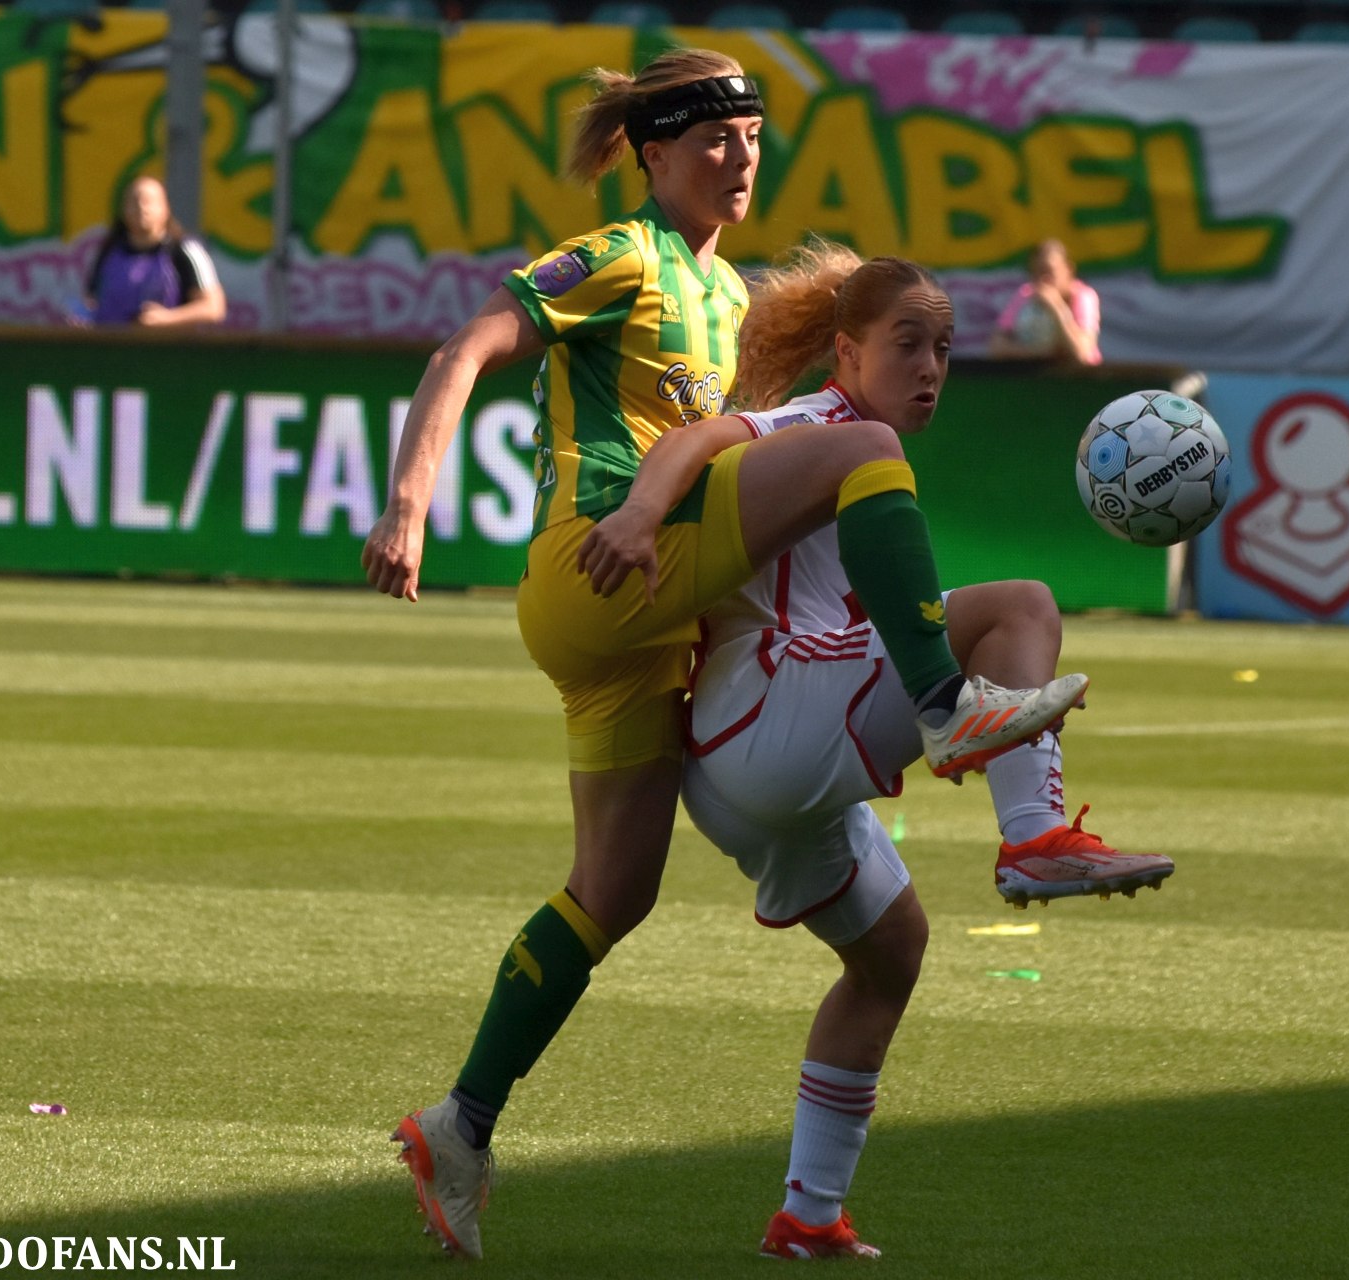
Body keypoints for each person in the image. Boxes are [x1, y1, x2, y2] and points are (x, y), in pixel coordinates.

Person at [361, 49, 1089, 1261]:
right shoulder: (622, 255)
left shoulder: (731, 295)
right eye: (713, 139)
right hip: (598, 563)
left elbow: (749, 419)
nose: (739, 156)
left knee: (613, 891)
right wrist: (408, 503)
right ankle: (946, 706)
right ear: (652, 155)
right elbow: (465, 349)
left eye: (752, 136)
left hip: (644, 631)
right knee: (862, 456)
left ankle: (460, 1124)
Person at [682, 241, 1173, 1259]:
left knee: (890, 954)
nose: (932, 367)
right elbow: (717, 442)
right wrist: (648, 502)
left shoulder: (856, 451)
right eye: (907, 343)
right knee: (1022, 606)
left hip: (750, 764)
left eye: (943, 346)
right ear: (845, 352)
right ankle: (1031, 833)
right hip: (766, 706)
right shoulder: (822, 426)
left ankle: (808, 1213)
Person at [81, 176, 227, 328]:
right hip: (113, 347)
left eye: (148, 201)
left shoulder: (185, 250)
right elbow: (91, 300)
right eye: (134, 202)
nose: (141, 208)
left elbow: (214, 308)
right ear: (123, 210)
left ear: (165, 208)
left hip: (168, 348)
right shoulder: (109, 252)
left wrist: (168, 319)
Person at [988, 238, 1101, 366]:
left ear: (1068, 269)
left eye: (1049, 271)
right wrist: (1037, 354)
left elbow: (1082, 354)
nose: (1043, 279)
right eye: (1036, 272)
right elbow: (997, 347)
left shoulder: (1084, 296)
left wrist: (1056, 308)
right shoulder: (1026, 294)